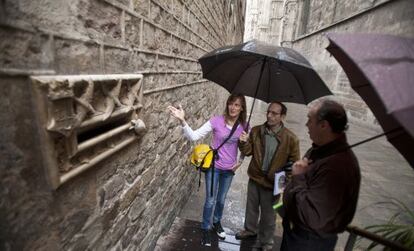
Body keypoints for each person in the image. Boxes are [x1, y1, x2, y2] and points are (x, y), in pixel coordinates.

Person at [167, 94, 248, 247]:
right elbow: (194, 136)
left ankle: (217, 222)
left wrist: (241, 161)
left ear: (242, 108)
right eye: (231, 103)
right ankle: (205, 227)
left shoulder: (244, 126)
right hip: (214, 167)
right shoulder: (216, 121)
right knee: (210, 200)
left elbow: (245, 148)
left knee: (221, 200)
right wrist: (182, 120)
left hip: (229, 170)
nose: (233, 107)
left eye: (237, 105)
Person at [281, 99, 361, 251]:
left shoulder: (337, 167)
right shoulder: (321, 150)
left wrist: (298, 177)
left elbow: (311, 216)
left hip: (309, 242)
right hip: (297, 234)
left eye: (310, 120)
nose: (306, 125)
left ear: (324, 125)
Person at [236, 101, 300, 251]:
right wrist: (243, 142)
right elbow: (247, 151)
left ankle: (266, 242)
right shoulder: (257, 131)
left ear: (282, 116)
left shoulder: (291, 139)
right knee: (251, 208)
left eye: (274, 113)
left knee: (269, 214)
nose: (269, 115)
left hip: (275, 182)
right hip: (255, 176)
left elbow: (294, 164)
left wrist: (283, 185)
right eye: (268, 112)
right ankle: (250, 230)